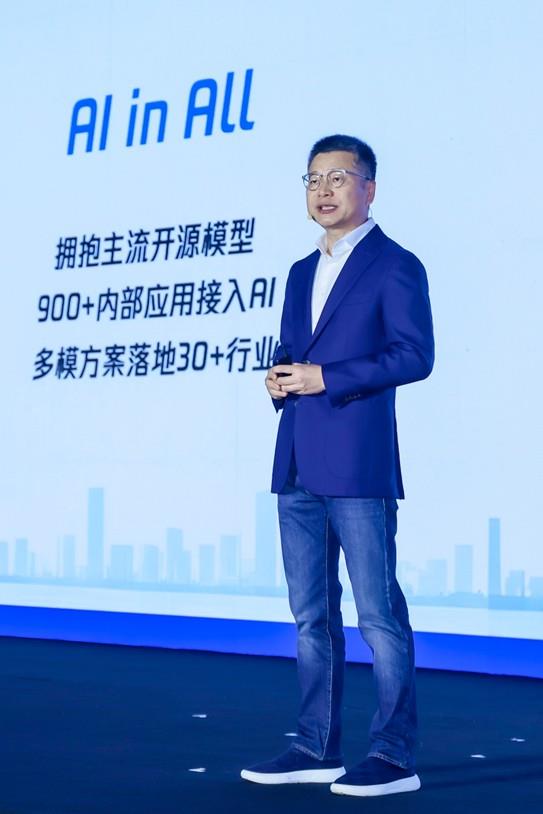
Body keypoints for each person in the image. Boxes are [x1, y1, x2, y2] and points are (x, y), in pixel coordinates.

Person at [240, 134, 434, 797]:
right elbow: (295, 350)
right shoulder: (301, 270)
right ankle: (314, 746)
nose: (322, 190)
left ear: (368, 188)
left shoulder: (394, 265)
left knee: (378, 615)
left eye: (338, 177)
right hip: (296, 459)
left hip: (357, 464)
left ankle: (393, 755)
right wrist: (281, 378)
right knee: (310, 617)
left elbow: (414, 355)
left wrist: (326, 377)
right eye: (313, 179)